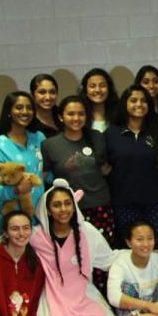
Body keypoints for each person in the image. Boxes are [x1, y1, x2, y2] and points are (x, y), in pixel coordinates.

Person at [32, 180, 121, 316]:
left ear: (74, 206)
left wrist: (143, 254)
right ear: (48, 210)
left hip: (84, 297)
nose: (63, 209)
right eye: (56, 205)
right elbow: (3, 243)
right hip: (54, 299)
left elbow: (109, 259)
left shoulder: (86, 231)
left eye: (67, 203)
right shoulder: (36, 236)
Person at [105, 85, 158, 254]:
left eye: (144, 100)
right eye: (133, 100)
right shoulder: (112, 133)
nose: (139, 104)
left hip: (156, 202)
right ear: (125, 104)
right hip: (124, 203)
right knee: (130, 252)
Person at [41, 95, 114, 252]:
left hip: (99, 205)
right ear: (61, 116)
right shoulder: (49, 145)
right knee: (75, 254)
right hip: (68, 210)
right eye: (71, 114)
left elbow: (104, 168)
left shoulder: (97, 137)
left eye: (81, 114)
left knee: (102, 254)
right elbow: (44, 177)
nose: (76, 118)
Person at [0, 91, 46, 237]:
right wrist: (16, 190)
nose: (25, 112)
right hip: (10, 219)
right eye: (19, 107)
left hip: (38, 216)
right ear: (9, 112)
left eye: (29, 108)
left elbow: (44, 174)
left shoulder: (39, 138)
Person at [80, 68, 119, 133]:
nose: (98, 90)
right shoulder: (80, 118)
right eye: (92, 86)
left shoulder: (119, 115)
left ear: (109, 89)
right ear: (85, 91)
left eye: (102, 85)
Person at [29, 73, 60, 138]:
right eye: (42, 92)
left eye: (52, 92)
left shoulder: (64, 115)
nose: (48, 97)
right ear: (32, 95)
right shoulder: (29, 122)